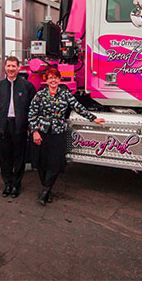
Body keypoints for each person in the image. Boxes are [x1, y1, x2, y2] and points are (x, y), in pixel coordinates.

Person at [28, 67, 105, 205]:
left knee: (55, 163)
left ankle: (45, 191)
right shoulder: (39, 95)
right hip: (42, 132)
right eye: (50, 77)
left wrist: (93, 118)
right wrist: (35, 131)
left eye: (55, 77)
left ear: (59, 79)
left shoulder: (65, 94)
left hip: (58, 133)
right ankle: (48, 190)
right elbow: (32, 113)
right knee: (41, 163)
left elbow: (78, 107)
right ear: (46, 80)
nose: (53, 80)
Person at [0, 56, 36, 198]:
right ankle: (7, 184)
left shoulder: (27, 86)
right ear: (5, 68)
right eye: (8, 66)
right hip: (4, 126)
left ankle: (16, 185)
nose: (11, 69)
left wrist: (29, 124)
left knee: (19, 157)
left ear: (18, 68)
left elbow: (33, 107)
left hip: (20, 127)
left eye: (13, 66)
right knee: (5, 157)